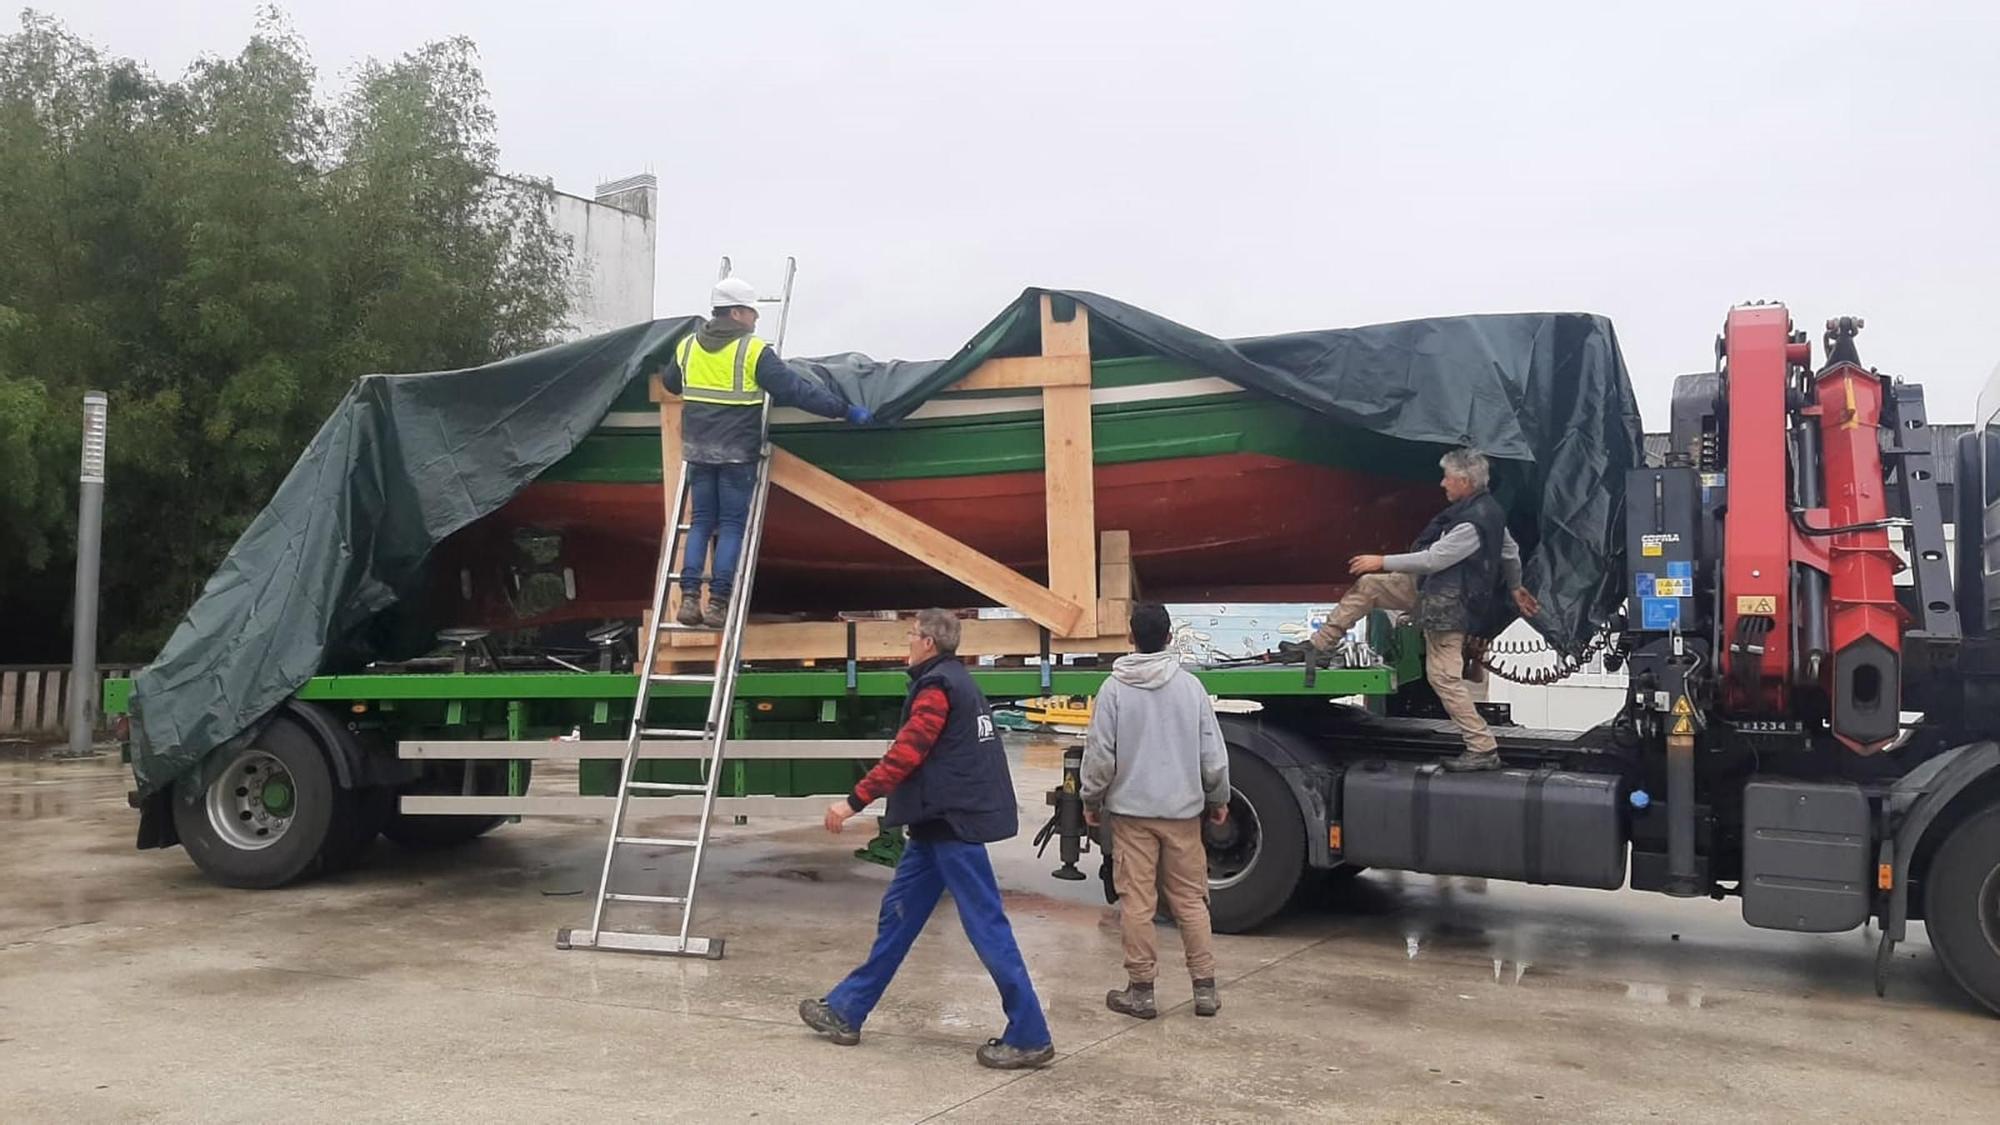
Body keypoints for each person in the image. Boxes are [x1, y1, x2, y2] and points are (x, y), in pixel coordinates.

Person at [799, 609, 1056, 1070]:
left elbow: (908, 752)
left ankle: (1030, 1035)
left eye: (912, 634)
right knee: (897, 917)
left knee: (986, 925)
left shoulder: (938, 687)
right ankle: (846, 1010)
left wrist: (853, 801)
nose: (907, 641)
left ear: (929, 644)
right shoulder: (953, 679)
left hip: (952, 824)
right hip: (934, 826)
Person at [1308, 447, 1540, 771]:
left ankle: (1482, 747)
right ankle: (1319, 647)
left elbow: (1436, 558)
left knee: (1443, 677)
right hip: (1429, 589)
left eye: (1447, 477)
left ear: (1463, 480)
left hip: (1447, 603)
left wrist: (1382, 560)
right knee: (1369, 587)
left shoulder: (1473, 523)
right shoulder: (1486, 512)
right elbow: (1510, 553)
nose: (1442, 484)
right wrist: (1515, 587)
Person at [661, 276, 872, 629]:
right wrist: (845, 410)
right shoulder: (752, 350)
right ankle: (718, 605)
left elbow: (671, 383)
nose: (756, 319)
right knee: (730, 527)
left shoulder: (687, 347)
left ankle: (689, 599)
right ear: (739, 312)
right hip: (736, 454)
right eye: (753, 313)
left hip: (698, 451)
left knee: (700, 524)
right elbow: (796, 391)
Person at [1080, 602, 1230, 1020]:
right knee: (1190, 901)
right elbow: (1212, 755)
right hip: (1183, 815)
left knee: (1138, 903)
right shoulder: (1190, 688)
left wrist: (1092, 800)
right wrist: (1218, 798)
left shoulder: (1113, 689)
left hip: (1132, 816)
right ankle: (1204, 989)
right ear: (1168, 637)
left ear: (1131, 638)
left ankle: (1141, 991)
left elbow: (1100, 756)